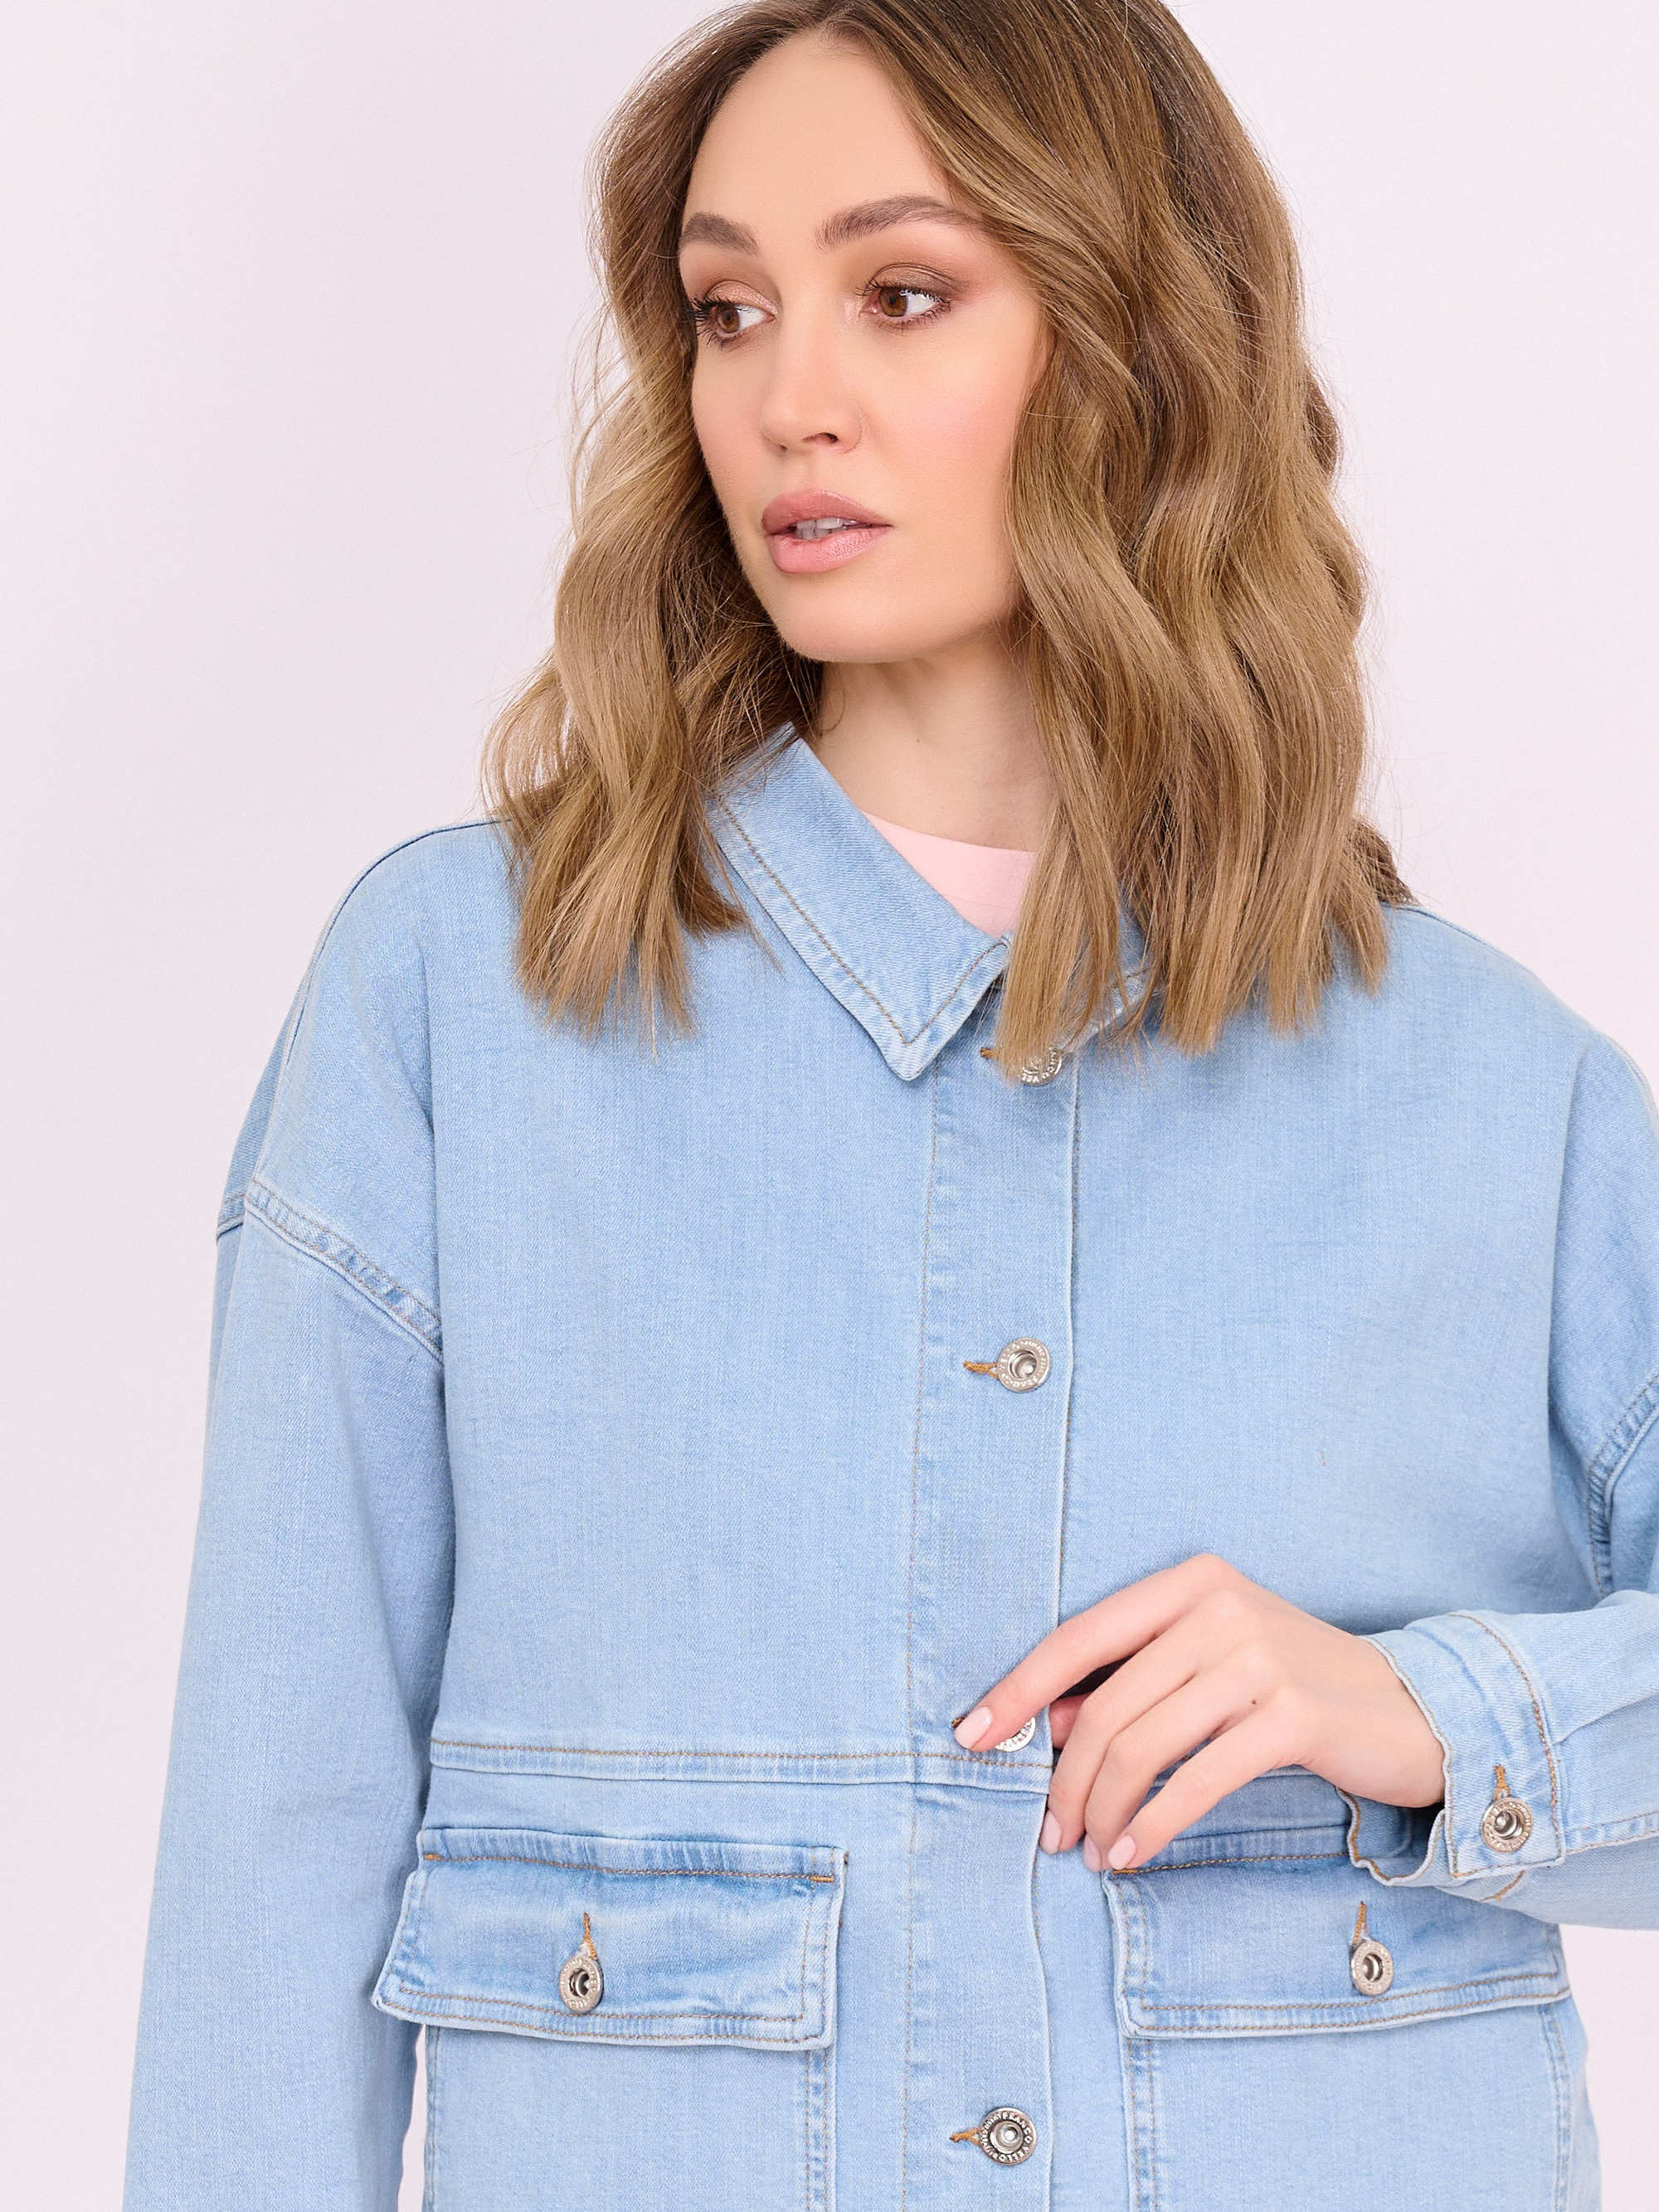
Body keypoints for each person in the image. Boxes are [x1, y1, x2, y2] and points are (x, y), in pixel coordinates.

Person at [124, 4, 1659, 2208]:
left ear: (1144, 346)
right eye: (729, 309)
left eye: (905, 292)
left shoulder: (1499, 1096)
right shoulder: (463, 1003)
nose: (787, 399)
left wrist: (1436, 1712)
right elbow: (278, 1856)